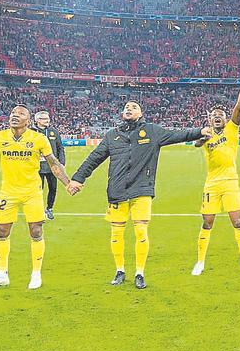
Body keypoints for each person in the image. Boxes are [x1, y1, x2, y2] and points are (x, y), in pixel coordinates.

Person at [68, 101, 211, 289]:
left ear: (141, 113)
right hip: (117, 191)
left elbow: (178, 135)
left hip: (142, 189)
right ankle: (119, 271)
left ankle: (139, 273)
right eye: (126, 107)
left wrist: (200, 131)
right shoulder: (112, 135)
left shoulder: (152, 131)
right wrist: (78, 178)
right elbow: (94, 158)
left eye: (134, 107)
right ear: (121, 113)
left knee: (141, 231)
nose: (129, 109)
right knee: (116, 233)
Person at [0, 104, 71, 292]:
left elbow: (53, 163)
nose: (15, 116)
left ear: (28, 121)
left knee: (36, 230)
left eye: (20, 114)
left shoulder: (38, 139)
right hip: (8, 192)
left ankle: (36, 273)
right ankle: (1, 275)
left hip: (32, 192)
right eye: (13, 113)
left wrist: (67, 183)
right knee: (1, 231)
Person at [191, 72, 240, 276]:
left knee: (237, 221)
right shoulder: (206, 134)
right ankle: (200, 261)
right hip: (212, 184)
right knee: (207, 222)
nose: (218, 116)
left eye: (221, 114)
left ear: (225, 118)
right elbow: (196, 143)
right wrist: (201, 140)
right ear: (210, 120)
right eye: (214, 115)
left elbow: (238, 107)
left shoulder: (231, 129)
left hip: (230, 183)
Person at [32, 111, 66, 220]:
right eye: (44, 118)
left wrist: (62, 163)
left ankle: (49, 209)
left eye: (48, 118)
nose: (47, 120)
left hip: (52, 167)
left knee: (53, 188)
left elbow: (60, 148)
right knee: (38, 191)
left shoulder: (53, 132)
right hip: (36, 167)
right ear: (37, 120)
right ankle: (39, 211)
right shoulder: (31, 132)